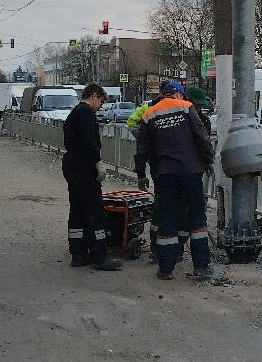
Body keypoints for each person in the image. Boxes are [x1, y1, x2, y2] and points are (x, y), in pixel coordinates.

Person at [134, 79, 215, 281]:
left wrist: (141, 174)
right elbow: (202, 137)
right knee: (197, 217)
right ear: (178, 94)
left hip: (165, 173)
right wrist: (209, 160)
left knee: (167, 218)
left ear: (162, 95)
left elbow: (142, 149)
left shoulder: (148, 114)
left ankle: (166, 268)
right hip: (191, 171)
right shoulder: (187, 108)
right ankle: (201, 267)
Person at [62, 82, 123, 271]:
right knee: (94, 212)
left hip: (72, 165)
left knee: (77, 210)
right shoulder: (87, 113)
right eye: (101, 101)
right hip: (83, 167)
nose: (101, 106)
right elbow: (89, 140)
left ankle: (78, 254)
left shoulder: (74, 113)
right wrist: (97, 161)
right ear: (94, 95)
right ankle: (99, 256)